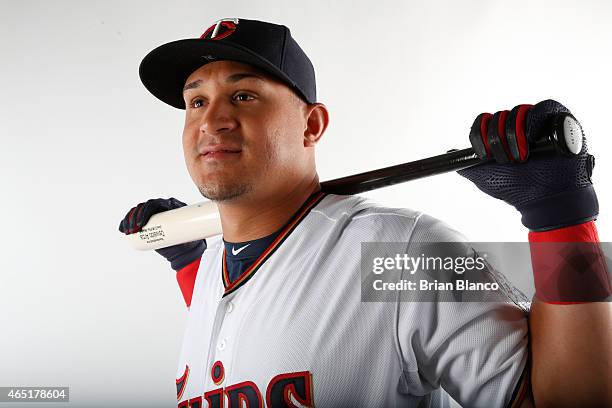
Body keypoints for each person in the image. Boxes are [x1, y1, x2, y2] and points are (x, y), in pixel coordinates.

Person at [119, 18, 611, 407]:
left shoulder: (398, 253)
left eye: (243, 95)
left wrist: (560, 220)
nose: (212, 121)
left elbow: (562, 399)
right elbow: (261, 331)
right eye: (196, 101)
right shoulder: (211, 271)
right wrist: (188, 261)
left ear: (311, 125)